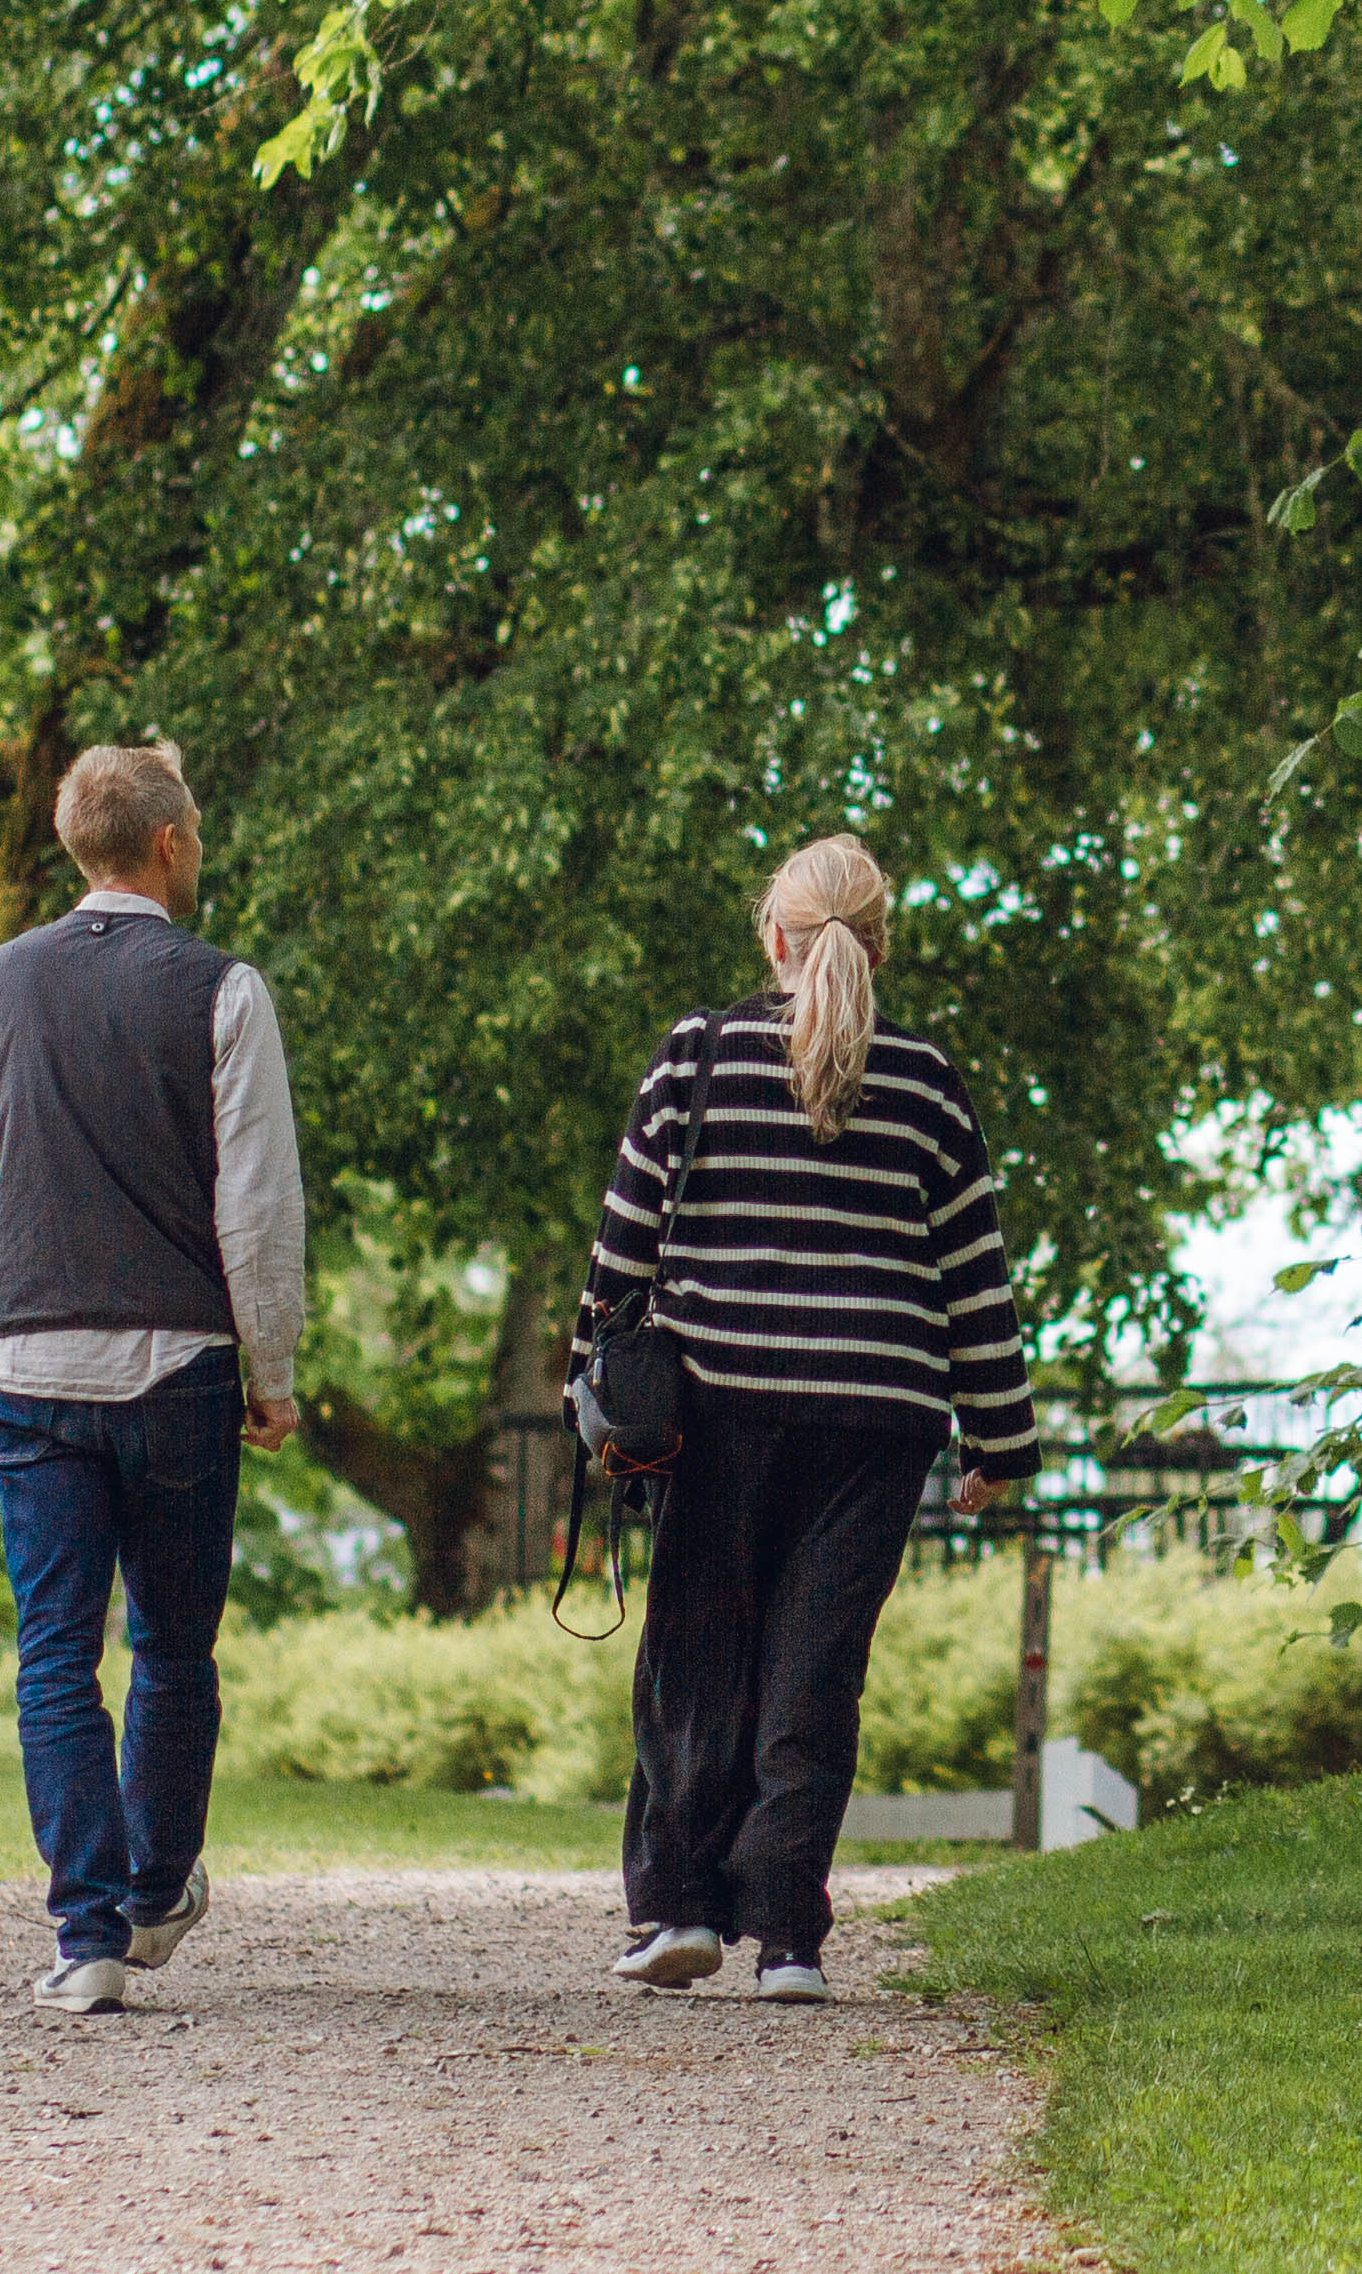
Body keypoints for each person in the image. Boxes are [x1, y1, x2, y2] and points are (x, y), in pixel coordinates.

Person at [582, 832, 1042, 1999]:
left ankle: (679, 1909)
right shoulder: (929, 1084)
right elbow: (972, 1273)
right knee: (814, 1667)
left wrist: (596, 1369)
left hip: (719, 1402)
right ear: (878, 942)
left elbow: (628, 1231)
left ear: (773, 937)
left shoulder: (701, 1052)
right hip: (877, 1417)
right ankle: (789, 1932)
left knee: (698, 1649)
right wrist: (1000, 1436)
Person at [0, 739, 308, 2018]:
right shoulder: (222, 990)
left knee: (52, 1653)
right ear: (168, 843)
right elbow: (254, 1206)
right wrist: (274, 1367)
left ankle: (83, 1929)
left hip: (30, 1364)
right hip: (181, 1364)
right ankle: (151, 1892)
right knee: (174, 1646)